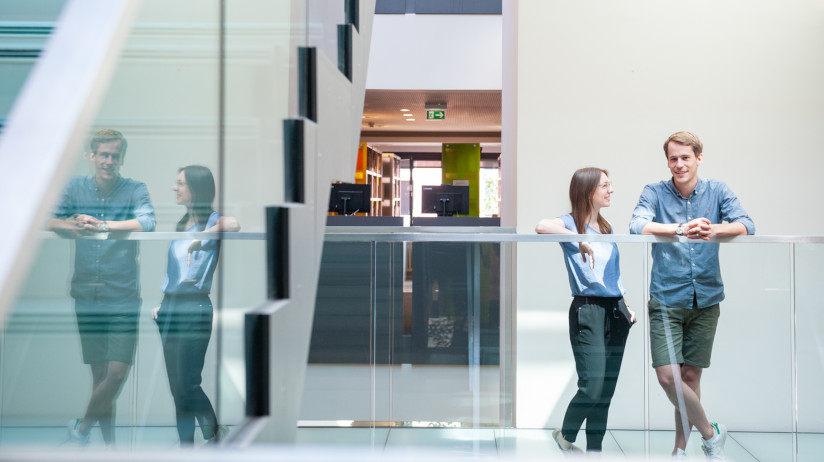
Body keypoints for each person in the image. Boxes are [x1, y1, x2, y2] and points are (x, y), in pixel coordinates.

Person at [629, 131, 755, 460]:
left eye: (686, 157)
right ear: (667, 161)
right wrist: (680, 229)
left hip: (706, 299)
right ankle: (712, 434)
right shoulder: (654, 192)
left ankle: (680, 450)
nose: (679, 164)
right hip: (666, 301)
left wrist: (712, 229)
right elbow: (636, 224)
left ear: (699, 158)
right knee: (669, 376)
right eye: (673, 158)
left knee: (689, 378)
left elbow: (746, 224)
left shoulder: (718, 191)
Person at [49, 129, 156, 446]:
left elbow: (148, 222)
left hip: (122, 296)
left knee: (117, 374)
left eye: (115, 155)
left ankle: (81, 430)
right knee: (99, 378)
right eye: (104, 154)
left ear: (122, 158)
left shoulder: (135, 188)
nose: (109, 161)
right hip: (87, 294)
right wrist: (74, 225)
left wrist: (103, 225)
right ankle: (108, 448)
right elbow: (48, 219)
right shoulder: (75, 187)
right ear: (91, 156)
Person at [536, 167, 636, 455]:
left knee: (605, 391)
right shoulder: (569, 222)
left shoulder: (606, 227)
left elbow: (612, 272)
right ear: (588, 190)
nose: (611, 190)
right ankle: (565, 435)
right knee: (591, 385)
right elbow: (541, 226)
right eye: (605, 185)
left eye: (610, 184)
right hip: (588, 309)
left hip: (616, 310)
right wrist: (577, 238)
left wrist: (626, 304)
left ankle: (595, 452)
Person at [152, 165, 239, 446]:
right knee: (178, 388)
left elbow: (234, 224)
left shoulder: (212, 220)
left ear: (196, 189)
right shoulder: (180, 224)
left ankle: (213, 432)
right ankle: (186, 447)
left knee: (189, 383)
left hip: (195, 308)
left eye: (180, 184)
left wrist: (204, 236)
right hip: (170, 309)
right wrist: (162, 303)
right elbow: (174, 271)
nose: (175, 188)